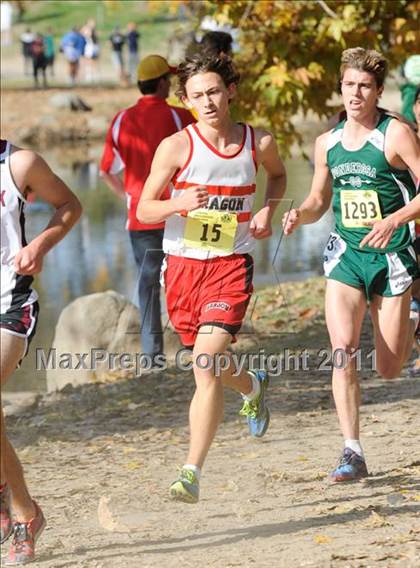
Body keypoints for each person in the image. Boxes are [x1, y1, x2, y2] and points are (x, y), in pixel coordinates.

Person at [138, 53, 286, 502]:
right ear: (185, 101)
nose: (208, 102)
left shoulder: (257, 142)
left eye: (215, 92)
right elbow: (144, 208)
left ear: (231, 91)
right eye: (197, 96)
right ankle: (252, 385)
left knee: (205, 364)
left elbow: (277, 177)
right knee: (212, 364)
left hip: (230, 264)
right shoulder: (177, 147)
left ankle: (190, 472)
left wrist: (266, 209)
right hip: (182, 267)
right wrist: (176, 205)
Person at [282, 47, 420, 482]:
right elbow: (320, 200)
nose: (355, 93)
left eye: (364, 86)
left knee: (388, 368)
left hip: (393, 256)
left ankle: (413, 320)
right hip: (346, 256)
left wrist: (395, 218)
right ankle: (352, 451)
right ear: (340, 88)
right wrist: (299, 215)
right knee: (342, 351)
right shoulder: (327, 142)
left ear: (379, 91)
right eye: (348, 85)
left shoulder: (395, 134)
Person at [0, 140, 82, 564]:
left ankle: (22, 511)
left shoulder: (19, 163)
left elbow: (69, 205)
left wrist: (39, 246)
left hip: (9, 303)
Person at [100, 55, 195, 367]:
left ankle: (152, 357)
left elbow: (106, 170)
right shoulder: (181, 117)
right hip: (180, 215)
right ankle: (193, 346)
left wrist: (128, 197)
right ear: (162, 83)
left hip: (140, 216)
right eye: (169, 79)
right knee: (187, 278)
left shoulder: (119, 121)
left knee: (148, 282)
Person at [81, 19, 100, 83]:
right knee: (88, 61)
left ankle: (95, 76)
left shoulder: (93, 30)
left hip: (94, 47)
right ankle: (89, 76)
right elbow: (85, 35)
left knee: (95, 61)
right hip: (89, 47)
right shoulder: (86, 29)